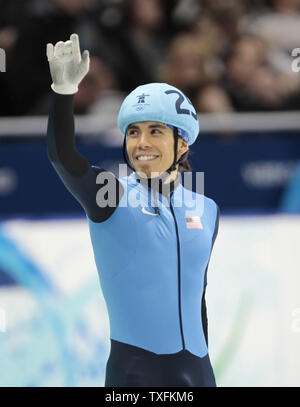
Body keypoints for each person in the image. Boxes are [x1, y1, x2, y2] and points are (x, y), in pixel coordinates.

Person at [46, 33, 220, 387]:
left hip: (199, 371)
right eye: (133, 132)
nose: (141, 143)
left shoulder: (207, 208)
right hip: (135, 373)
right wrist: (64, 93)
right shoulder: (111, 195)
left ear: (181, 141)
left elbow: (196, 294)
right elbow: (63, 157)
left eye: (155, 131)